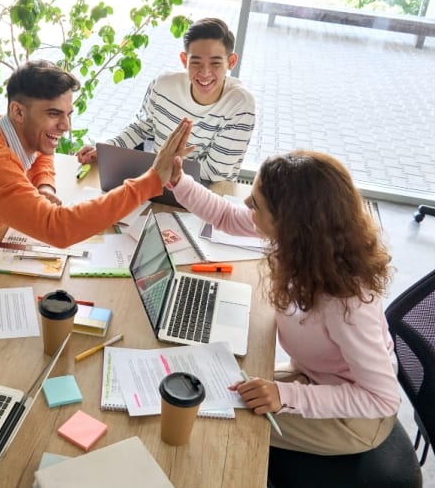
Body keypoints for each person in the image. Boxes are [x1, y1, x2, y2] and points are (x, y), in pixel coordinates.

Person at [168, 148, 399, 455]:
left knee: (214, 419)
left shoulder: (347, 304)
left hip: (355, 418)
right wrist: (178, 181)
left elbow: (381, 398)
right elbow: (226, 215)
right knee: (210, 390)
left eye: (256, 203)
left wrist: (285, 395)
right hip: (313, 378)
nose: (247, 204)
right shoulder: (305, 243)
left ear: (289, 223)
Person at [0, 59, 193, 304]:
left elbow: (41, 152)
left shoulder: (1, 127)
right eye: (54, 114)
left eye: (68, 113)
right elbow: (59, 229)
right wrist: (151, 180)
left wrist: (44, 186)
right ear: (18, 112)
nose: (66, 126)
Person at [75, 17, 256, 183]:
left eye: (216, 63)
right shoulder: (163, 85)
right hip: (158, 184)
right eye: (196, 62)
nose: (205, 72)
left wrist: (161, 166)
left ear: (231, 62)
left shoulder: (240, 104)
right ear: (184, 60)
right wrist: (107, 149)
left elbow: (216, 173)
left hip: (206, 193)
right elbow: (141, 127)